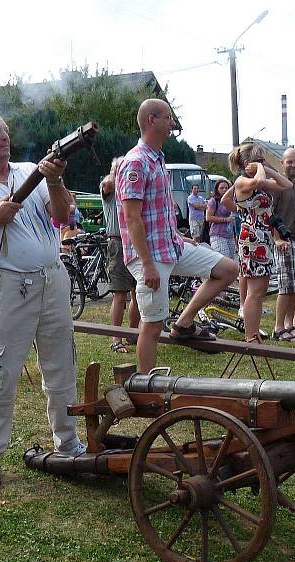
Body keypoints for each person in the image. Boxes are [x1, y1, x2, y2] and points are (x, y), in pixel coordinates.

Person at [0, 107, 86, 488]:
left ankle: (68, 441)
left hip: (53, 279)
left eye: (5, 132)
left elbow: (62, 217)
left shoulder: (31, 171)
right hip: (9, 284)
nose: (5, 138)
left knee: (61, 366)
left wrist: (54, 181)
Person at [117, 99, 238, 373]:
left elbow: (156, 212)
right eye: (168, 118)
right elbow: (132, 218)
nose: (172, 124)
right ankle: (147, 388)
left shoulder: (157, 159)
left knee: (228, 269)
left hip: (171, 246)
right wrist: (146, 264)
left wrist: (180, 236)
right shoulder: (135, 162)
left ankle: (183, 324)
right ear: (152, 120)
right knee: (152, 324)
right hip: (149, 256)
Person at [221, 142, 292, 342]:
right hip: (253, 238)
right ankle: (251, 336)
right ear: (249, 163)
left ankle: (254, 332)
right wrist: (260, 169)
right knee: (255, 291)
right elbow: (259, 181)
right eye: (260, 159)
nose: (263, 163)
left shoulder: (257, 180)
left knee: (260, 290)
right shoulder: (243, 181)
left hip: (263, 237)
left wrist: (266, 167)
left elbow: (287, 185)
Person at [270, 148, 295, 342]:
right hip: (285, 241)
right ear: (282, 163)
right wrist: (277, 239)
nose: (293, 165)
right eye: (289, 162)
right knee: (285, 287)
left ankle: (289, 325)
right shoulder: (277, 185)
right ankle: (278, 328)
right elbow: (269, 214)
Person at [101, 156, 140, 354]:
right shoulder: (110, 187)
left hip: (136, 242)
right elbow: (107, 183)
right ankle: (116, 339)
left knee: (138, 291)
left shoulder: (132, 189)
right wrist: (119, 170)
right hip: (117, 243)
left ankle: (133, 333)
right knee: (119, 293)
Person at [205, 179, 237, 259]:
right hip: (217, 234)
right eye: (221, 188)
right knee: (223, 258)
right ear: (217, 189)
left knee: (231, 261)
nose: (224, 190)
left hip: (230, 235)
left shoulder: (231, 200)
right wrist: (225, 219)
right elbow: (208, 217)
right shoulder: (213, 201)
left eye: (226, 188)